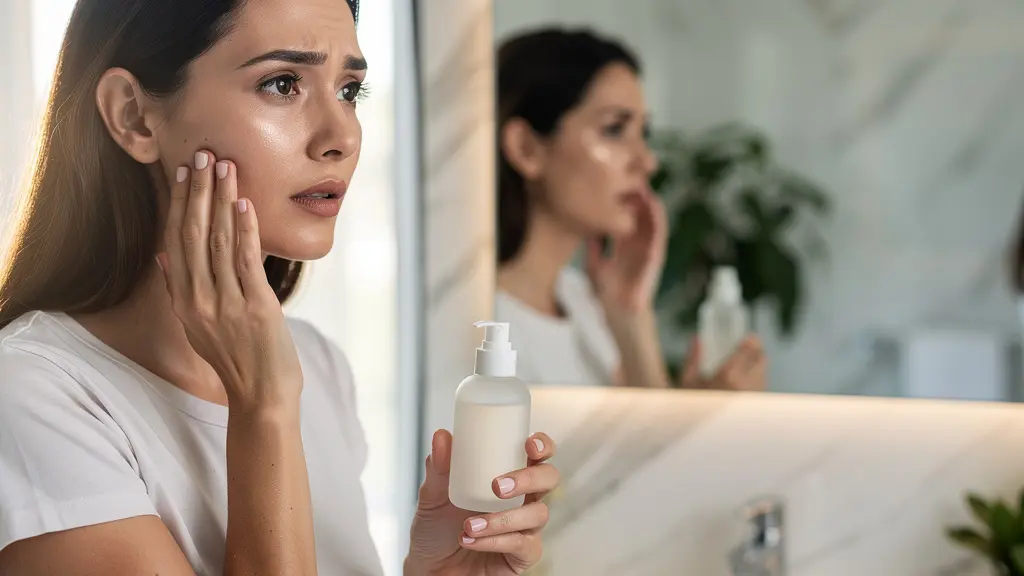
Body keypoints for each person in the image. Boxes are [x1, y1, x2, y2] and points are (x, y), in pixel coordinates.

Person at [0, 1, 559, 574]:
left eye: (350, 90)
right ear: (134, 116)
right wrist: (263, 407)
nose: (341, 135)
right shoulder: (30, 397)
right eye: (283, 83)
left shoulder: (317, 365)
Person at [494, 28, 767, 390]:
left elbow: (645, 444)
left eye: (644, 134)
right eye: (613, 130)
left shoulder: (581, 302)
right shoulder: (478, 323)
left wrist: (630, 315)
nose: (647, 161)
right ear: (526, 147)